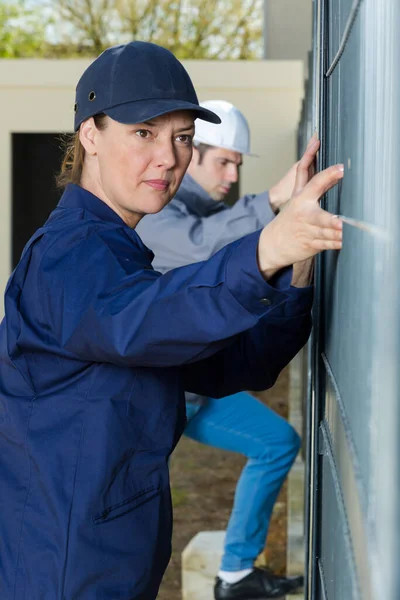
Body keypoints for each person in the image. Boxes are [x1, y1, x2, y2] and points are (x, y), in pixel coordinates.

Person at [0, 41, 343, 600]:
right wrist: (263, 248)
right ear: (90, 135)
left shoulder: (118, 251)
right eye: (144, 133)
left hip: (107, 557)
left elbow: (235, 365)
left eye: (182, 137)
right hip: (61, 568)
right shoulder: (68, 255)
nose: (168, 157)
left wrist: (298, 257)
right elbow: (141, 319)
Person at [136, 100, 309, 599]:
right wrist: (275, 200)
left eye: (238, 163)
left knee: (277, 443)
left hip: (197, 382)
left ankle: (234, 575)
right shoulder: (160, 206)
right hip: (159, 390)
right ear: (191, 157)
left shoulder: (209, 208)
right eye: (224, 162)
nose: (233, 175)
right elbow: (203, 247)